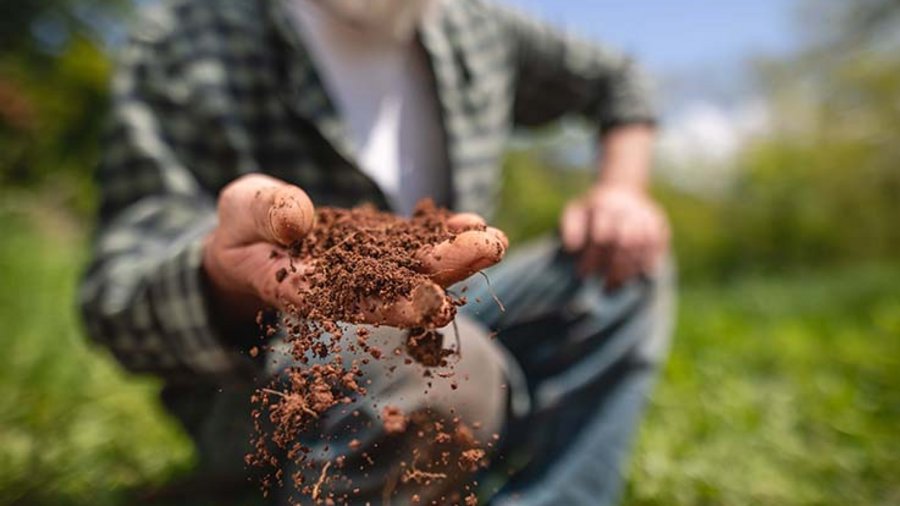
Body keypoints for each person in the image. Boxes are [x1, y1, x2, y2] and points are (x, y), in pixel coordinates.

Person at [79, 0, 673, 504]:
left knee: (620, 266)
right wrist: (225, 275)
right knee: (445, 368)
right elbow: (115, 294)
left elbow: (620, 78)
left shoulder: (471, 25)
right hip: (265, 370)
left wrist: (621, 190)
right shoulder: (189, 40)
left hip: (452, 309)